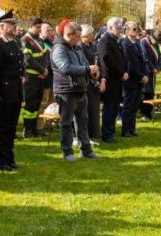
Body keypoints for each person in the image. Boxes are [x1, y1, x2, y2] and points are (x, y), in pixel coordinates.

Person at [52, 22, 100, 162]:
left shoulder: (77, 47)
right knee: (66, 123)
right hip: (66, 91)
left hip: (80, 89)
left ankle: (86, 150)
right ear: (68, 35)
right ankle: (67, 153)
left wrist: (92, 72)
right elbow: (65, 68)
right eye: (77, 36)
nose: (79, 39)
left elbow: (84, 63)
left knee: (83, 121)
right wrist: (87, 69)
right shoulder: (59, 49)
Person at [0, 10, 24, 172]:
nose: (14, 26)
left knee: (12, 127)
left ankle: (10, 158)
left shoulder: (15, 42)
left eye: (14, 24)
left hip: (16, 90)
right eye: (10, 24)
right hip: (4, 91)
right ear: (2, 26)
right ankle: (2, 160)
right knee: (4, 127)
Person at [97, 17, 128, 144]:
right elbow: (107, 61)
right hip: (110, 79)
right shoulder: (105, 41)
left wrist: (125, 71)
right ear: (110, 27)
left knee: (115, 107)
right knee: (109, 107)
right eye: (118, 28)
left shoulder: (115, 40)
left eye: (121, 28)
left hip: (117, 79)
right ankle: (107, 134)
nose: (120, 30)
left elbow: (122, 58)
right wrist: (121, 73)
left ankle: (111, 131)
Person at [118, 21, 148, 138]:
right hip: (131, 80)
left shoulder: (137, 42)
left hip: (139, 79)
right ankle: (126, 130)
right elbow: (129, 65)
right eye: (134, 29)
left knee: (135, 105)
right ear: (127, 31)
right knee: (128, 105)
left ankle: (132, 129)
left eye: (137, 29)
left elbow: (142, 61)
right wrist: (141, 76)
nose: (137, 31)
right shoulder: (125, 44)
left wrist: (144, 75)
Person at [21, 18, 48, 137]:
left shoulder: (39, 40)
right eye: (37, 27)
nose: (39, 29)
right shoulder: (25, 39)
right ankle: (27, 130)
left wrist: (45, 70)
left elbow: (45, 56)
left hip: (40, 77)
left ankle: (34, 128)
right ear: (30, 26)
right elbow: (28, 60)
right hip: (31, 77)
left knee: (37, 103)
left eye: (40, 27)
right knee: (30, 104)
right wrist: (42, 70)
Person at [79, 25, 102, 146]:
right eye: (90, 34)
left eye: (92, 34)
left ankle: (94, 133)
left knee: (94, 108)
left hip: (95, 79)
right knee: (86, 109)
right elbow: (84, 64)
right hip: (87, 80)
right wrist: (93, 79)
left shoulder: (93, 46)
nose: (92, 36)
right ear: (83, 35)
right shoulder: (80, 47)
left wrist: (99, 77)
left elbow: (98, 61)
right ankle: (85, 134)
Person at [139, 30, 161, 121]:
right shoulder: (143, 42)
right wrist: (152, 68)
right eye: (156, 41)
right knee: (145, 92)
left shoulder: (156, 44)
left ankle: (149, 112)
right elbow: (145, 58)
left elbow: (159, 57)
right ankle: (144, 113)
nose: (157, 43)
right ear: (151, 37)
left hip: (153, 72)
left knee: (151, 92)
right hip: (145, 71)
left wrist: (158, 68)